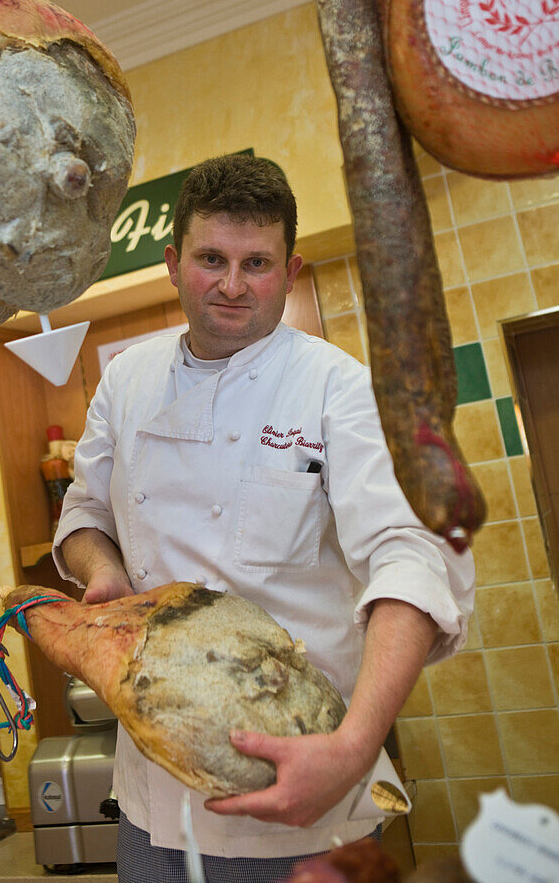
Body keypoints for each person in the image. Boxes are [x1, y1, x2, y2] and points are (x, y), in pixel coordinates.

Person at [52, 153, 475, 883]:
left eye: (257, 263)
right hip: (154, 795)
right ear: (171, 261)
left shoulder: (337, 388)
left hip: (301, 788)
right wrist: (106, 571)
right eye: (210, 258)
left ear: (292, 269)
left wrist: (351, 749)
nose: (232, 285)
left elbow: (411, 556)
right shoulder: (125, 381)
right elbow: (85, 513)